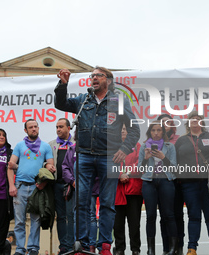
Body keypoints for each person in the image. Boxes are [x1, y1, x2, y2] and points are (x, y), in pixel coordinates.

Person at [55, 67, 140, 255]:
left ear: (108, 81)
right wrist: (62, 84)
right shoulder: (83, 100)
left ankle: (105, 246)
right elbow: (60, 103)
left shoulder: (118, 101)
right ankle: (82, 245)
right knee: (82, 203)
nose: (94, 78)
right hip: (84, 155)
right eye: (91, 76)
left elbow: (134, 129)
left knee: (108, 203)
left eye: (98, 75)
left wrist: (124, 150)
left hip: (109, 157)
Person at [175, 111, 209, 255]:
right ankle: (192, 248)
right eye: (192, 119)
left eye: (198, 119)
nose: (195, 121)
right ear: (188, 123)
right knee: (193, 216)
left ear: (202, 122)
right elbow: (177, 160)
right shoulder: (182, 140)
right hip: (189, 185)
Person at [7, 119, 54, 255]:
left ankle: (33, 248)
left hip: (36, 188)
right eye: (30, 127)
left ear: (38, 128)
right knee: (19, 220)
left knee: (36, 219)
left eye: (35, 126)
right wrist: (11, 185)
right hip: (20, 186)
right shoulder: (19, 145)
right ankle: (20, 249)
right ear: (25, 130)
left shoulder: (45, 147)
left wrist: (43, 183)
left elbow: (50, 169)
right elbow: (10, 166)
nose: (34, 129)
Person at [138, 121, 178, 255]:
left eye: (159, 130)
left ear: (163, 132)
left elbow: (174, 168)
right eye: (153, 130)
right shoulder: (144, 146)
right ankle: (151, 250)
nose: (156, 133)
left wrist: (163, 158)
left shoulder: (169, 146)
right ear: (150, 132)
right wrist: (145, 159)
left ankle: (172, 249)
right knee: (150, 215)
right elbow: (140, 169)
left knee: (169, 215)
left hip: (166, 180)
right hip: (149, 181)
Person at [61, 142, 100, 253]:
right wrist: (73, 181)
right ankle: (79, 244)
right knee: (76, 215)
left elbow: (98, 168)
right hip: (76, 188)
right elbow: (65, 168)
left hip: (91, 188)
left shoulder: (93, 147)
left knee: (92, 216)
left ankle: (91, 245)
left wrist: (87, 181)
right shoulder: (72, 149)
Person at [156, 114, 184, 255]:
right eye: (162, 122)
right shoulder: (154, 141)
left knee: (177, 215)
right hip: (161, 183)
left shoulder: (179, 140)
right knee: (164, 217)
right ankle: (166, 249)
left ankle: (179, 248)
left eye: (167, 122)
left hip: (177, 182)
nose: (165, 124)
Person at [114, 125, 142, 255]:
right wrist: (119, 175)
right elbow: (108, 164)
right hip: (117, 190)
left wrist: (127, 173)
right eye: (121, 128)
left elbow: (141, 163)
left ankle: (135, 249)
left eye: (125, 128)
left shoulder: (137, 146)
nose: (122, 130)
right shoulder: (111, 146)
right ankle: (119, 249)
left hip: (134, 189)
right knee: (118, 223)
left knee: (134, 223)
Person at [48, 118, 75, 255]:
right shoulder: (51, 144)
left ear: (69, 128)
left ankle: (72, 245)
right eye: (57, 127)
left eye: (61, 126)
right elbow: (45, 163)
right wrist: (47, 166)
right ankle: (64, 246)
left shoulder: (76, 144)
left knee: (71, 215)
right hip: (57, 185)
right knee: (60, 216)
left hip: (72, 185)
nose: (58, 129)